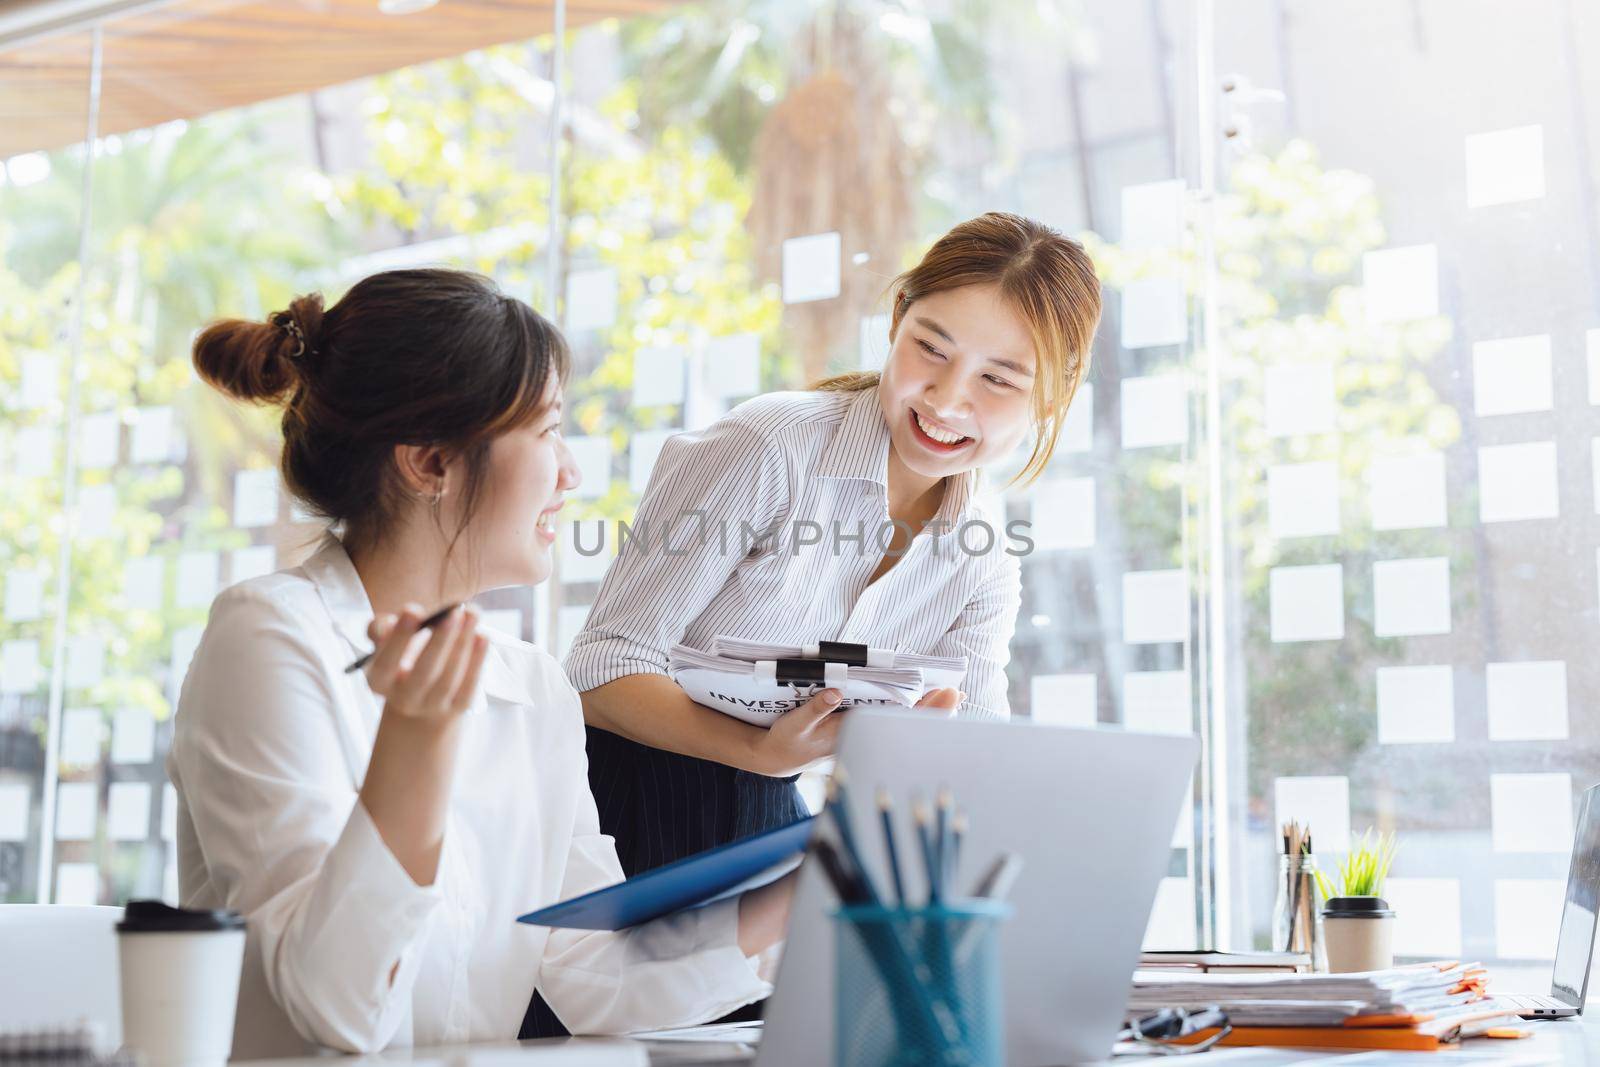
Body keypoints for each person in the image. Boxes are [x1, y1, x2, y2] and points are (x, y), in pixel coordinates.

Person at [166, 269, 790, 1058]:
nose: (571, 473)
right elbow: (335, 1009)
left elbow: (594, 968)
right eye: (546, 432)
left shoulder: (534, 685)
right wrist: (414, 744)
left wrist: (809, 893)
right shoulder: (268, 638)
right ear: (431, 463)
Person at [567, 211, 1103, 876]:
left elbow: (975, 748)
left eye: (998, 379)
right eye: (931, 348)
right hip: (611, 817)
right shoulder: (768, 449)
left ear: (1051, 396)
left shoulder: (985, 556)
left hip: (763, 839)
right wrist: (759, 750)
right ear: (898, 316)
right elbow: (599, 670)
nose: (947, 397)